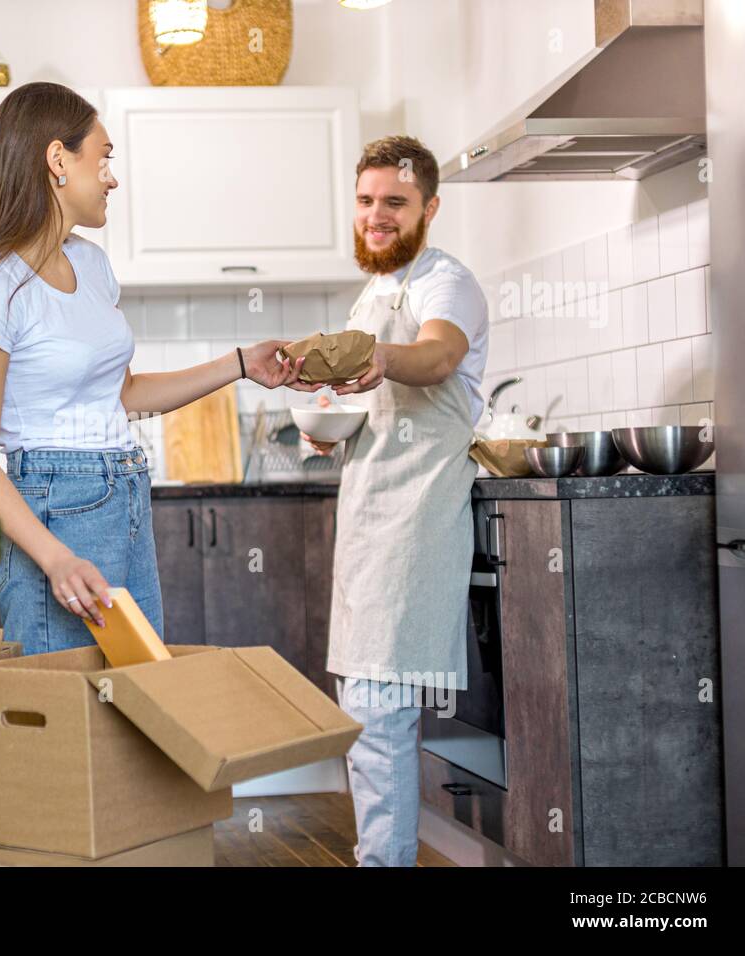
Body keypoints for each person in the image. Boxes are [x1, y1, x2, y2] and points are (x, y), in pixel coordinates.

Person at [0, 82, 317, 654]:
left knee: (135, 692)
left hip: (125, 491)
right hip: (53, 506)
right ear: (58, 160)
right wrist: (57, 558)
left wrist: (241, 364)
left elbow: (126, 396)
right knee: (65, 710)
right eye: (104, 157)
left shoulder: (92, 265)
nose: (112, 177)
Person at [304, 136, 489, 867]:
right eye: (366, 201)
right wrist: (330, 431)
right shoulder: (374, 290)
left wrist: (378, 358)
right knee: (366, 704)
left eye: (395, 203)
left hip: (416, 518)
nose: (376, 217)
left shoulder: (448, 283)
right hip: (370, 515)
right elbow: (371, 403)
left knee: (378, 710)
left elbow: (439, 355)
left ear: (429, 208)